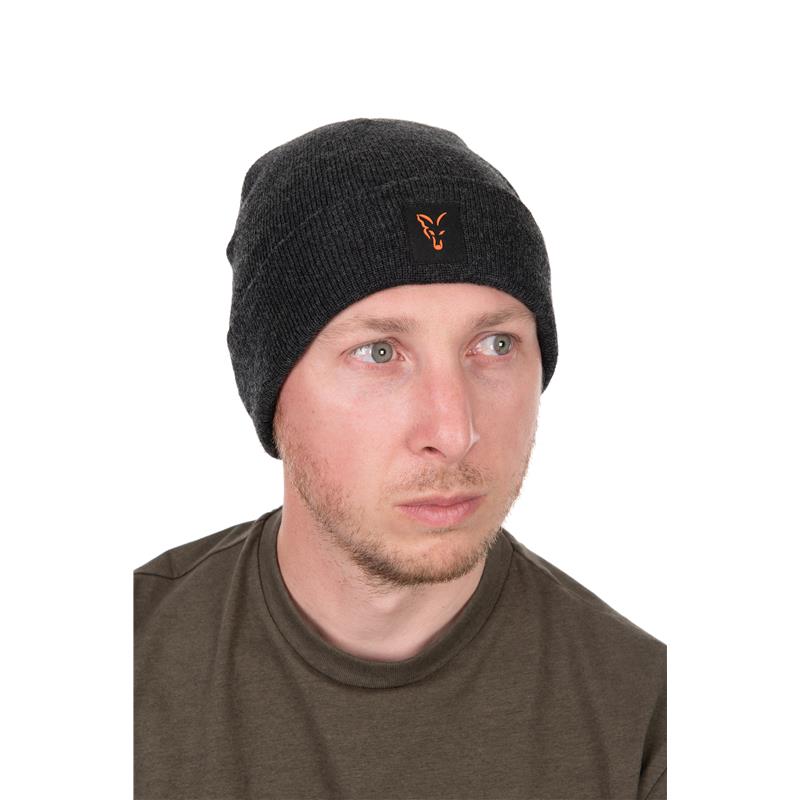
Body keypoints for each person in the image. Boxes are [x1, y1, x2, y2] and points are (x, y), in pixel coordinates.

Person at [134, 118, 667, 800]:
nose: (454, 431)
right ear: (272, 391)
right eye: (379, 352)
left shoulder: (645, 718)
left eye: (496, 345)